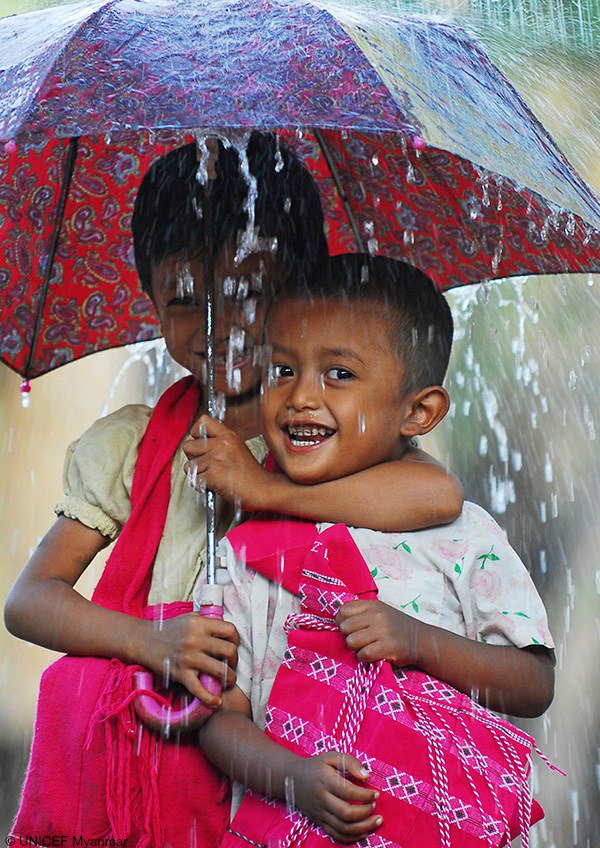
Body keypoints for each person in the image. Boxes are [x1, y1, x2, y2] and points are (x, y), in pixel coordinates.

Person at [4, 137, 463, 845]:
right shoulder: (132, 442)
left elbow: (435, 496)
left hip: (295, 749)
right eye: (186, 298)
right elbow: (30, 600)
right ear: (149, 296)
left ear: (303, 289)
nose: (220, 321)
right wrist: (148, 640)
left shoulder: (326, 433)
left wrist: (264, 489)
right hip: (153, 766)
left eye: (250, 290)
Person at [185, 253, 556, 846]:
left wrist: (418, 642)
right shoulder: (242, 552)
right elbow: (216, 719)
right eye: (282, 370)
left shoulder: (463, 539)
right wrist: (292, 779)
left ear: (418, 411)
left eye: (339, 374)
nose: (301, 397)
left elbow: (533, 685)